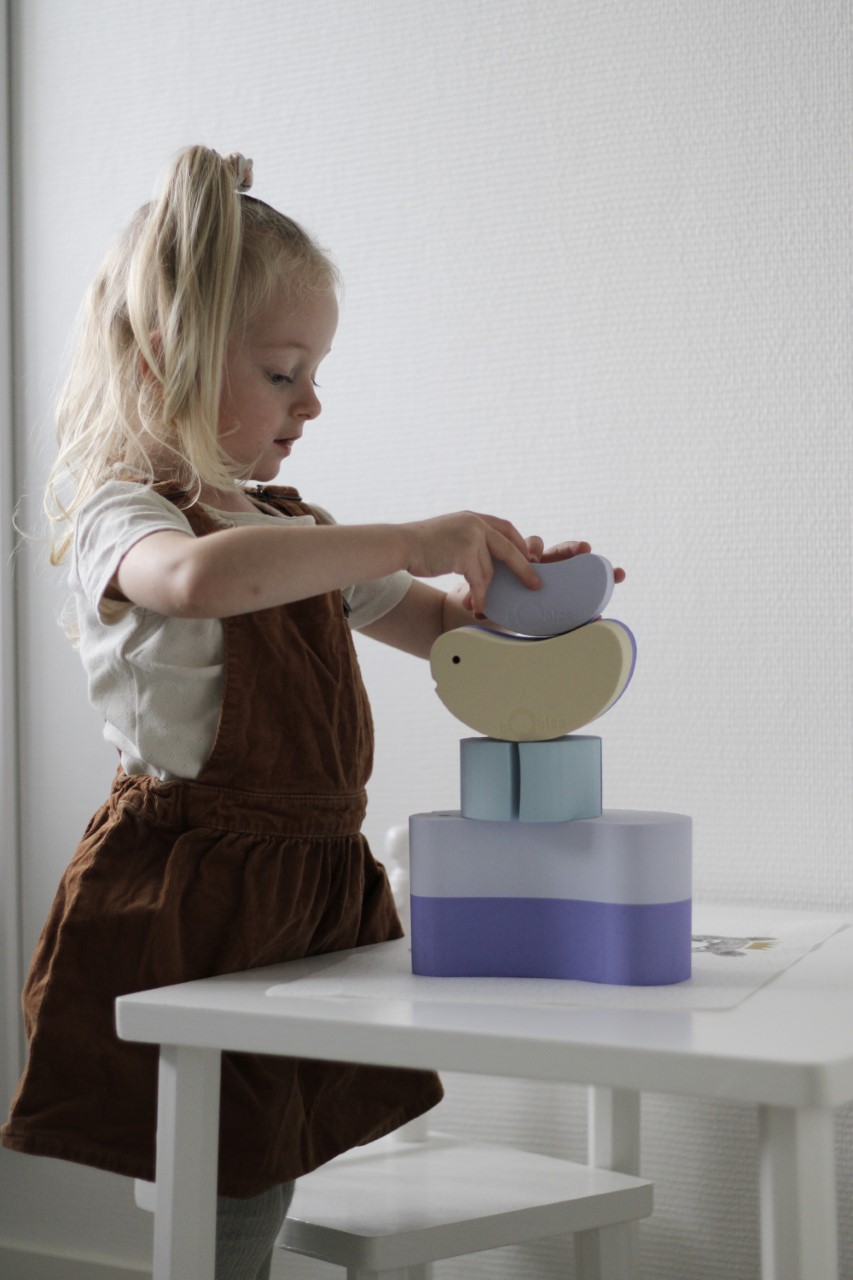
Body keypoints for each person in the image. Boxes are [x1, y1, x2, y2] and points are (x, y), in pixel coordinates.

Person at [1, 146, 621, 1280]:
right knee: (227, 1171)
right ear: (167, 360)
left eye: (314, 371)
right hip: (192, 890)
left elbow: (439, 631)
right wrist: (408, 534)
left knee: (265, 1157)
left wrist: (519, 597)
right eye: (284, 371)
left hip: (306, 882)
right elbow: (200, 581)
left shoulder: (295, 531)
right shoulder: (125, 514)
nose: (312, 401)